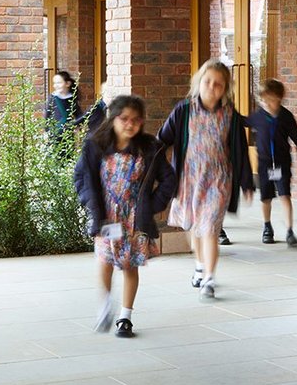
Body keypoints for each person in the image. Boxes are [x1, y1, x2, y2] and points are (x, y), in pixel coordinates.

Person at [72, 95, 177, 338]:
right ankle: (104, 304)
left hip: (134, 217)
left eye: (136, 120)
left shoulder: (150, 147)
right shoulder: (95, 145)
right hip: (106, 215)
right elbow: (81, 178)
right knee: (106, 260)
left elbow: (168, 179)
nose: (130, 124)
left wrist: (153, 206)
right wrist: (90, 204)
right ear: (113, 118)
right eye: (124, 119)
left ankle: (125, 317)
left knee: (130, 265)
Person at [158, 58, 254, 300]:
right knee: (193, 226)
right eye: (208, 82)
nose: (212, 87)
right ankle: (199, 264)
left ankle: (209, 277)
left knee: (210, 227)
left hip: (218, 180)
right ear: (199, 82)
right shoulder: (184, 110)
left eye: (218, 84)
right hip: (189, 179)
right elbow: (162, 139)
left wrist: (246, 182)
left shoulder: (230, 115)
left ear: (225, 88)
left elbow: (240, 150)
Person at [246, 78, 297, 247]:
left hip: (282, 162)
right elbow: (242, 121)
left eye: (268, 98)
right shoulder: (258, 116)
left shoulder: (286, 117)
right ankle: (267, 227)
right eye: (262, 99)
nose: (265, 102)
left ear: (278, 98)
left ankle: (290, 231)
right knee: (266, 197)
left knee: (285, 194)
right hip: (264, 164)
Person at [45, 71, 82, 148]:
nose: (56, 85)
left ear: (67, 84)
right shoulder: (53, 98)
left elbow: (79, 117)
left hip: (68, 135)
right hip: (54, 134)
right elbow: (47, 116)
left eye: (59, 83)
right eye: (54, 83)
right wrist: (47, 133)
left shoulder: (72, 98)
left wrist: (77, 132)